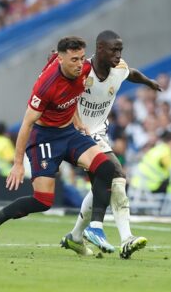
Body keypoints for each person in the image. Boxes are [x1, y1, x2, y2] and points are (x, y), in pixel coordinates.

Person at [0, 36, 117, 255]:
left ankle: (95, 228)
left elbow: (75, 96)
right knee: (43, 200)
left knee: (107, 168)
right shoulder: (46, 86)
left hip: (69, 132)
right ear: (61, 60)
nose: (80, 64)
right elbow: (26, 123)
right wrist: (17, 163)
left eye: (81, 58)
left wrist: (78, 120)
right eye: (73, 60)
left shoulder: (85, 69)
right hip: (44, 138)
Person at [63, 30, 161, 258]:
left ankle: (76, 237)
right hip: (76, 133)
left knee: (105, 182)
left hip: (98, 134)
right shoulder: (82, 70)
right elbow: (60, 84)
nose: (118, 55)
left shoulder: (119, 69)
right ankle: (124, 237)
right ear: (99, 49)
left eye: (120, 50)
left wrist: (148, 82)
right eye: (113, 50)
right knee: (116, 174)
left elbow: (131, 73)